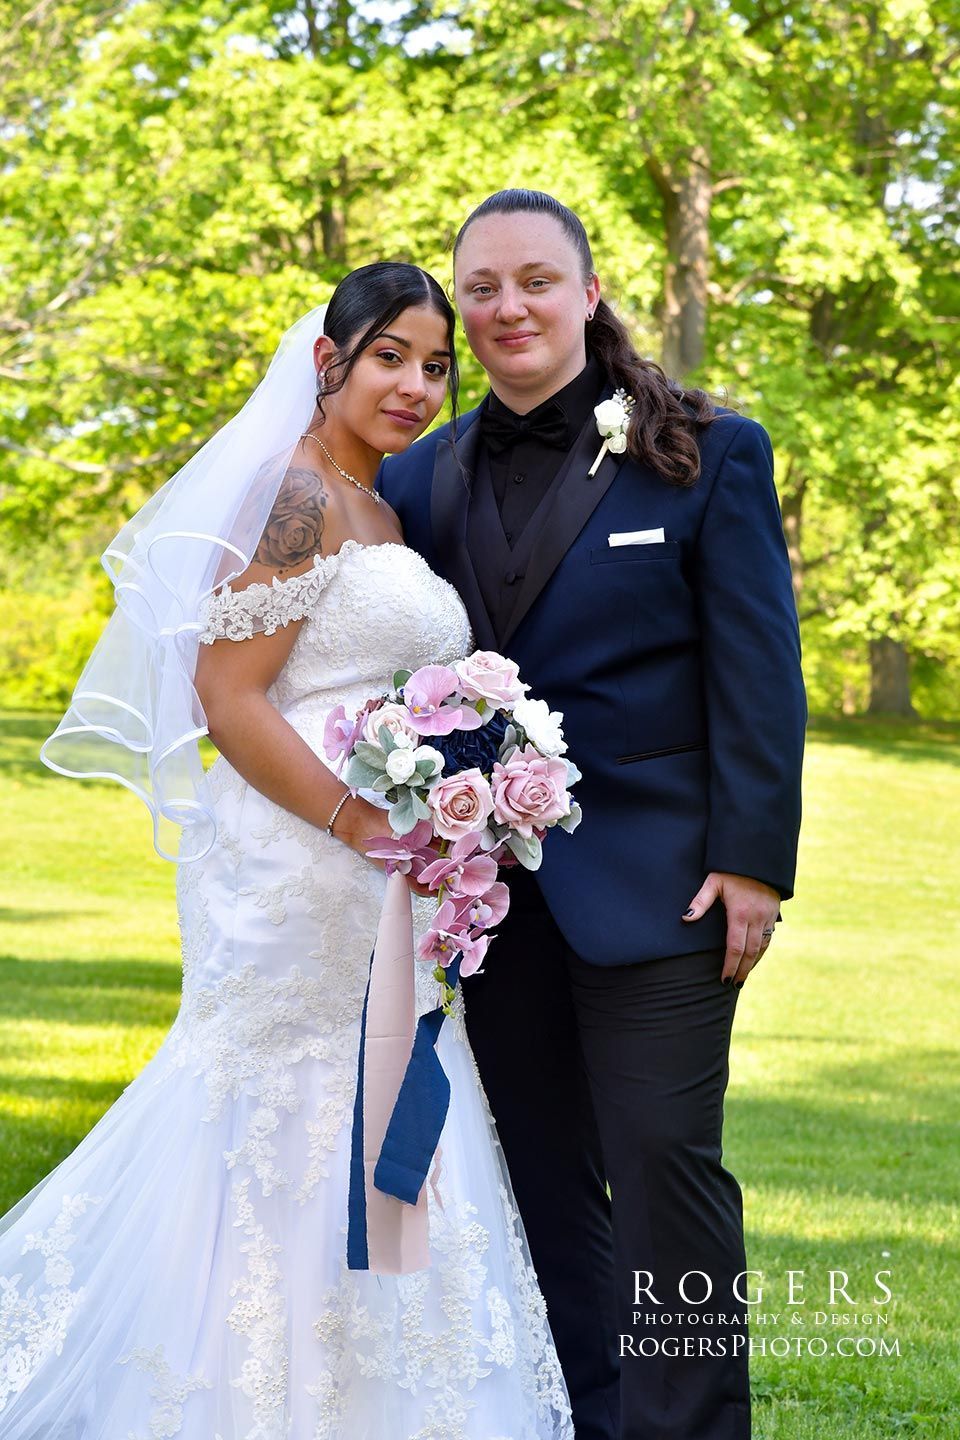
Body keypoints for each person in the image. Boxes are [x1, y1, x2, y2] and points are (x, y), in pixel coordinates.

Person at [0, 263, 573, 1440]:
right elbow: (231, 696)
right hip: (304, 864)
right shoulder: (299, 499)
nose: (416, 385)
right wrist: (358, 819)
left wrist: (455, 805)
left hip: (385, 875)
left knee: (376, 1102)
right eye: (389, 358)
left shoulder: (382, 508)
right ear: (330, 361)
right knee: (277, 1108)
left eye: (433, 364)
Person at [379, 191, 808, 1440]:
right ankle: (591, 1415)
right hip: (492, 902)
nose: (508, 307)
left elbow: (758, 673)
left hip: (666, 888)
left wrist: (752, 866)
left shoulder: (709, 450)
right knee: (543, 1181)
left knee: (669, 1175)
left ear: (589, 292)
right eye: (482, 289)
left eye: (534, 282)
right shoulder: (420, 475)